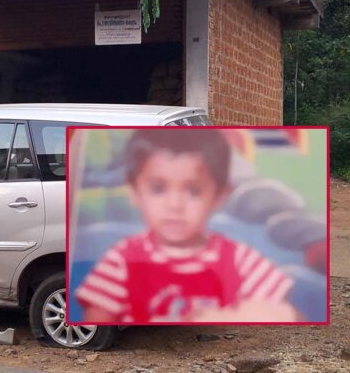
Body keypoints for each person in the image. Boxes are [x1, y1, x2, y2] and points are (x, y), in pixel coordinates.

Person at [74, 129, 298, 323]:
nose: (175, 205)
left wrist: (232, 317)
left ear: (219, 195)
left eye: (193, 190)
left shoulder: (241, 261)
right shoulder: (122, 260)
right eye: (158, 188)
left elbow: (289, 314)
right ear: (134, 192)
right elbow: (96, 321)